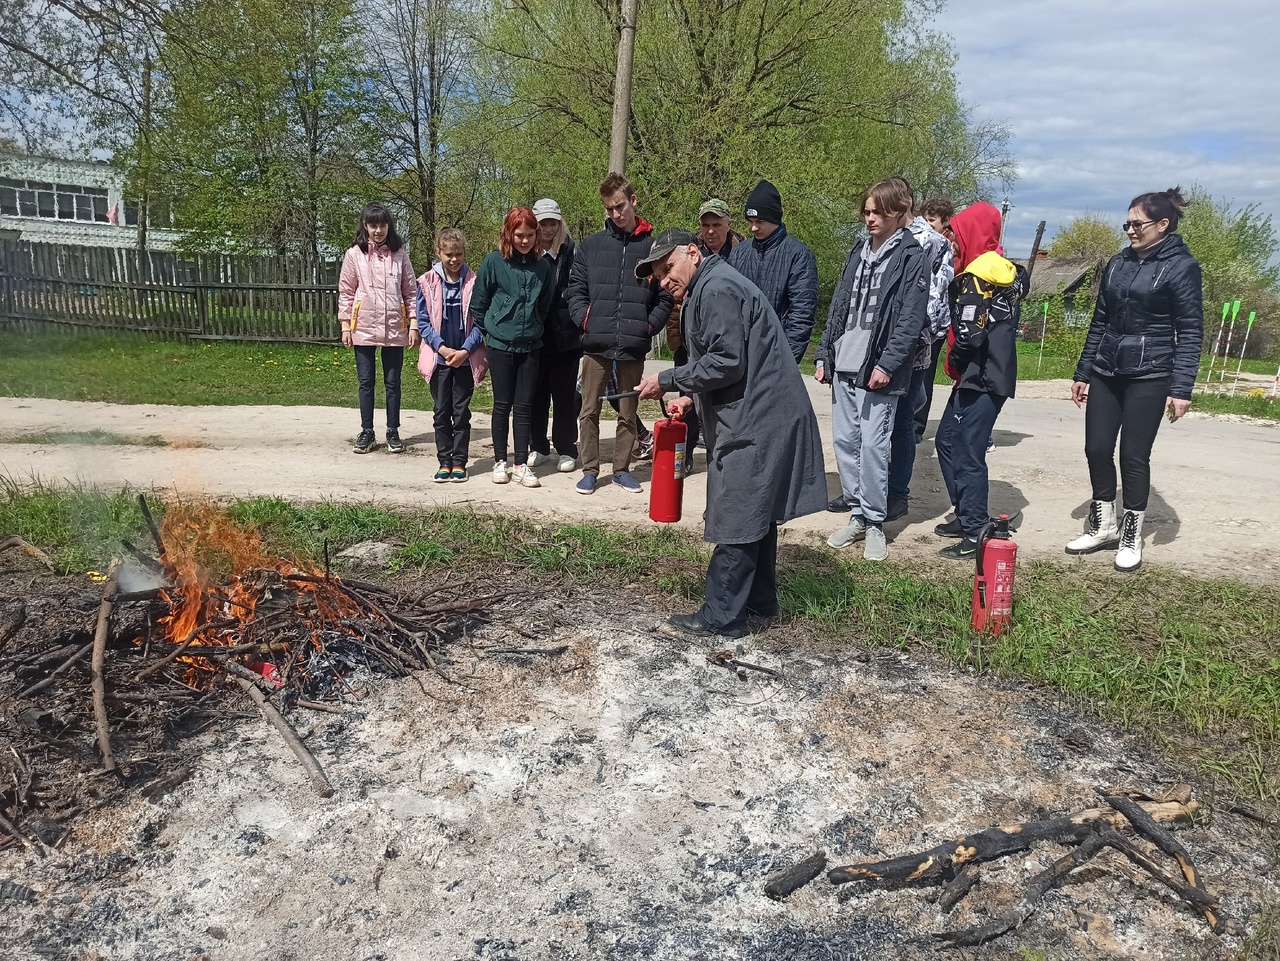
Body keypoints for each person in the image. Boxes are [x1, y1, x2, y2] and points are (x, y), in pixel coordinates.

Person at [635, 229, 826, 638]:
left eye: (668, 268)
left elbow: (726, 361)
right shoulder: (709, 285)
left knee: (738, 511)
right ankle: (759, 602)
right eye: (658, 276)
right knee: (756, 512)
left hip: (760, 417)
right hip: (763, 412)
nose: (665, 280)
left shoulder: (717, 286)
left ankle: (722, 617)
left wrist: (669, 379)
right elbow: (723, 359)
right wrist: (688, 395)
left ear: (691, 252)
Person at [1065, 187, 1203, 571]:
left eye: (1137, 223)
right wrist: (1084, 371)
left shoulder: (1181, 266)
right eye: (1126, 223)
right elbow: (1100, 322)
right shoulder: (1118, 263)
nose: (1130, 230)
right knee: (1096, 449)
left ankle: (1130, 534)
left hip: (1152, 374)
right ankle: (1102, 526)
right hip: (1107, 369)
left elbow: (1190, 330)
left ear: (1162, 224)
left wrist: (1181, 387)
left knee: (1133, 456)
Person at [816, 179, 928, 562]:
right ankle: (857, 514)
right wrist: (823, 355)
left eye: (877, 211)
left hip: (880, 368)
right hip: (846, 360)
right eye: (866, 211)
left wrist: (887, 364)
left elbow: (911, 320)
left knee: (874, 444)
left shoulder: (913, 256)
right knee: (845, 441)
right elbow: (839, 308)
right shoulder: (858, 251)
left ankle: (876, 522)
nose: (870, 218)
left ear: (898, 211)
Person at [566, 173, 673, 495]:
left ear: (633, 201)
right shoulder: (592, 246)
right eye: (610, 208)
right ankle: (589, 470)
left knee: (628, 411)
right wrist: (586, 321)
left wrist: (647, 327)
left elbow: (665, 295)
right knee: (589, 410)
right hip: (595, 343)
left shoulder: (653, 247)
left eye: (620, 206)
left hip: (632, 344)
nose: (616, 213)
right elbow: (575, 290)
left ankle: (622, 470)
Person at [932, 202, 1027, 559]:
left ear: (970, 232)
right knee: (946, 441)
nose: (951, 241)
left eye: (955, 233)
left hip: (981, 376)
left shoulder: (976, 276)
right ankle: (965, 512)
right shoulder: (1005, 272)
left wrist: (953, 363)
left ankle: (976, 533)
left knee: (968, 450)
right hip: (988, 375)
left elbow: (970, 334)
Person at [468, 206, 554, 488]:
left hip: (531, 345)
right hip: (500, 345)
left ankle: (520, 464)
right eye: (519, 235)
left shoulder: (543, 267)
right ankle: (499, 461)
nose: (525, 241)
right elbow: (478, 305)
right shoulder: (494, 262)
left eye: (530, 235)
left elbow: (545, 306)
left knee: (525, 406)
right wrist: (494, 327)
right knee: (502, 405)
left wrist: (533, 326)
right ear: (509, 234)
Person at [886, 182, 954, 521]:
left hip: (911, 353)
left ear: (904, 205)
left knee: (901, 424)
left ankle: (897, 493)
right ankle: (863, 491)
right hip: (876, 351)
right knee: (868, 424)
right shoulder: (880, 238)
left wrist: (907, 339)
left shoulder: (934, 243)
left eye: (887, 207)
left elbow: (937, 306)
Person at [337, 202, 419, 454]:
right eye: (373, 225)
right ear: (365, 226)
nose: (378, 230)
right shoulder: (354, 254)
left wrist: (413, 324)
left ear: (389, 226)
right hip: (362, 327)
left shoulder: (400, 254)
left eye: (383, 225)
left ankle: (393, 431)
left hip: (394, 328)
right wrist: (345, 326)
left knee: (393, 383)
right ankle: (367, 432)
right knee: (366, 382)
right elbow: (346, 292)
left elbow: (411, 292)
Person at [416, 227, 486, 482]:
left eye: (459, 254)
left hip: (465, 359)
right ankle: (444, 461)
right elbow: (423, 322)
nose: (454, 259)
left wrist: (466, 350)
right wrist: (442, 348)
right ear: (439, 253)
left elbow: (481, 323)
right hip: (439, 358)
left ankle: (459, 462)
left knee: (461, 412)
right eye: (449, 255)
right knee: (441, 411)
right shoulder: (425, 282)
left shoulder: (474, 282)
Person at [728, 180, 819, 364]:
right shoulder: (738, 253)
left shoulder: (799, 255)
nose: (753, 228)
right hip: (740, 355)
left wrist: (786, 362)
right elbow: (728, 304)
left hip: (777, 355)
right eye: (750, 222)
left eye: (760, 221)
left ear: (775, 219)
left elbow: (801, 314)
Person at [527, 198, 581, 474]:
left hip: (567, 338)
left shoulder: (571, 251)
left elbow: (579, 288)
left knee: (564, 396)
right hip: (535, 337)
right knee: (536, 395)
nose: (548, 229)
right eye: (543, 223)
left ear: (559, 223)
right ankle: (537, 445)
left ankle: (567, 447)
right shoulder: (528, 251)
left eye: (552, 223)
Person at [915, 196, 957, 443]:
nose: (928, 224)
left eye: (933, 220)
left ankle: (917, 424)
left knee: (926, 372)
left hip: (936, 320)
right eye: (925, 219)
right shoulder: (921, 241)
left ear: (945, 223)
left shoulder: (947, 247)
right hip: (918, 316)